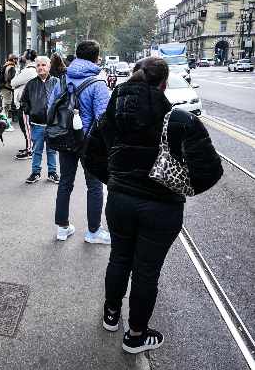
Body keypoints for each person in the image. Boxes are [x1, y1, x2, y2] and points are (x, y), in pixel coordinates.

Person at [84, 57, 222, 353]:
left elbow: (90, 155)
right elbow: (210, 171)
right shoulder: (180, 120)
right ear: (163, 83)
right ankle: (135, 335)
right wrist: (184, 187)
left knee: (119, 258)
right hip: (161, 208)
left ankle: (111, 315)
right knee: (146, 271)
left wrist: (116, 181)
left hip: (120, 202)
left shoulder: (111, 114)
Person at [47, 40, 111, 244]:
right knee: (94, 186)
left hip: (65, 138)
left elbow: (51, 108)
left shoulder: (62, 79)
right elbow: (103, 119)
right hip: (89, 143)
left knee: (65, 182)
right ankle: (93, 231)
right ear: (96, 57)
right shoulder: (98, 84)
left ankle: (62, 228)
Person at [20, 56, 59, 184]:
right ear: (36, 68)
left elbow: (63, 101)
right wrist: (30, 111)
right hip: (37, 124)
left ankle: (52, 173)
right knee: (37, 150)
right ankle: (35, 172)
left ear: (49, 67)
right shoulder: (31, 84)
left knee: (52, 150)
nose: (41, 67)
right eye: (38, 65)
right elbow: (24, 101)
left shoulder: (56, 82)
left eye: (43, 65)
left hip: (53, 124)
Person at [10, 49, 38, 160]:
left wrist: (17, 71)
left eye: (23, 55)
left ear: (27, 57)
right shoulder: (30, 69)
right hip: (28, 102)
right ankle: (29, 148)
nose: (21, 56)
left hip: (25, 103)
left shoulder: (29, 70)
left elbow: (13, 82)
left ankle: (30, 150)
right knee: (26, 127)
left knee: (26, 127)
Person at [0, 55, 17, 132]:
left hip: (3, 88)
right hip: (7, 88)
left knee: (5, 105)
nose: (17, 60)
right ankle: (4, 125)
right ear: (13, 59)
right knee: (6, 106)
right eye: (16, 59)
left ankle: (4, 123)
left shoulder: (5, 65)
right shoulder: (11, 67)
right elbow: (10, 79)